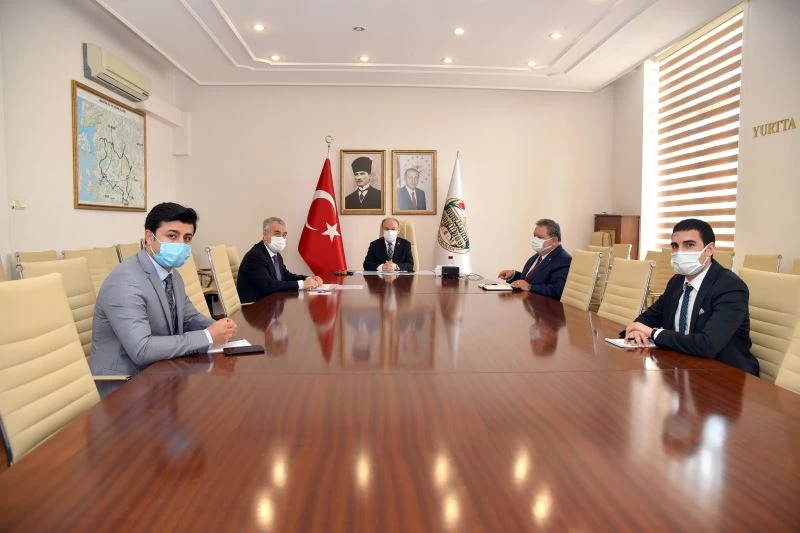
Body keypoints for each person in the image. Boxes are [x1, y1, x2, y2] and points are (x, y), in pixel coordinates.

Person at [90, 202, 238, 383]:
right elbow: (142, 349)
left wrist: (220, 327)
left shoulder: (172, 275)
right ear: (149, 237)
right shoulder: (124, 282)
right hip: (127, 383)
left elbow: (189, 318)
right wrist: (208, 336)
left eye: (187, 238)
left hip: (163, 371)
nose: (181, 244)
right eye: (172, 236)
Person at [624, 218, 759, 376]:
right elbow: (647, 318)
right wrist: (636, 331)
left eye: (689, 245)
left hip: (725, 374)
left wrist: (652, 333)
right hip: (681, 366)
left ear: (709, 250)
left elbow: (707, 345)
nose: (680, 252)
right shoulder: (676, 282)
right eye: (675, 246)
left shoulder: (730, 287)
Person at [237, 217, 323, 303]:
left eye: (284, 235)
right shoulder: (255, 256)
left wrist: (308, 279)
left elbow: (286, 276)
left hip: (271, 303)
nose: (281, 238)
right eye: (277, 234)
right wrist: (302, 284)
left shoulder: (276, 255)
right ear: (265, 235)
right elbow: (269, 286)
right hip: (255, 307)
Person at [498, 218, 572, 299]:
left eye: (540, 237)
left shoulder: (564, 260)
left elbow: (556, 291)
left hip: (543, 305)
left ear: (554, 240)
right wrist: (513, 275)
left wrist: (530, 287)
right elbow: (528, 280)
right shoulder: (537, 256)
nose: (535, 240)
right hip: (527, 302)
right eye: (535, 236)